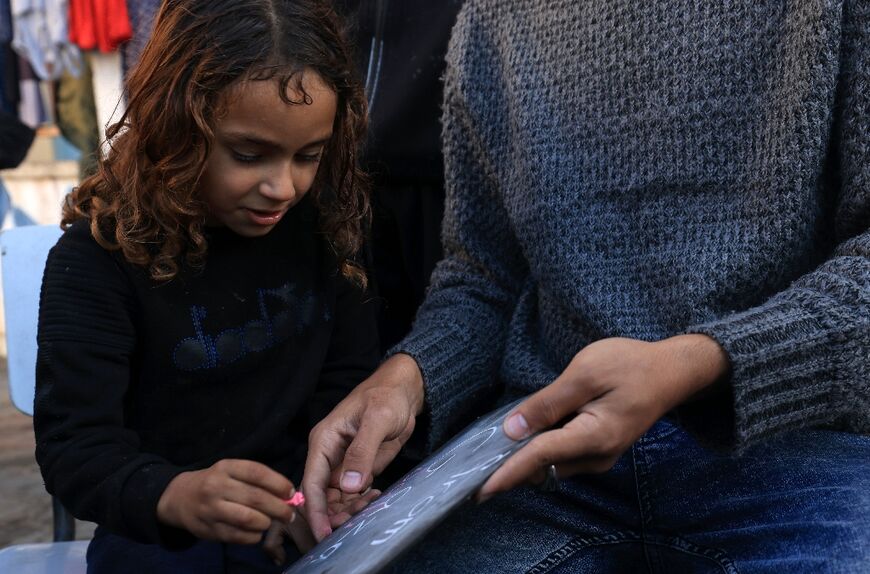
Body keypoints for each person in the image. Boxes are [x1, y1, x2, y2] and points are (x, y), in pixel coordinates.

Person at [301, 0, 870, 572]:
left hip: (799, 449)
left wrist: (696, 364)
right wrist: (408, 379)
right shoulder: (491, 19)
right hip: (537, 462)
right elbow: (486, 276)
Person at [33, 1, 380, 571]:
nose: (282, 186)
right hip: (159, 532)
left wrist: (325, 490)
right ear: (175, 125)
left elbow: (347, 385)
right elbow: (76, 448)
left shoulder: (319, 231)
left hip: (299, 514)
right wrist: (174, 495)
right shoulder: (95, 261)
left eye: (308, 156)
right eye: (249, 155)